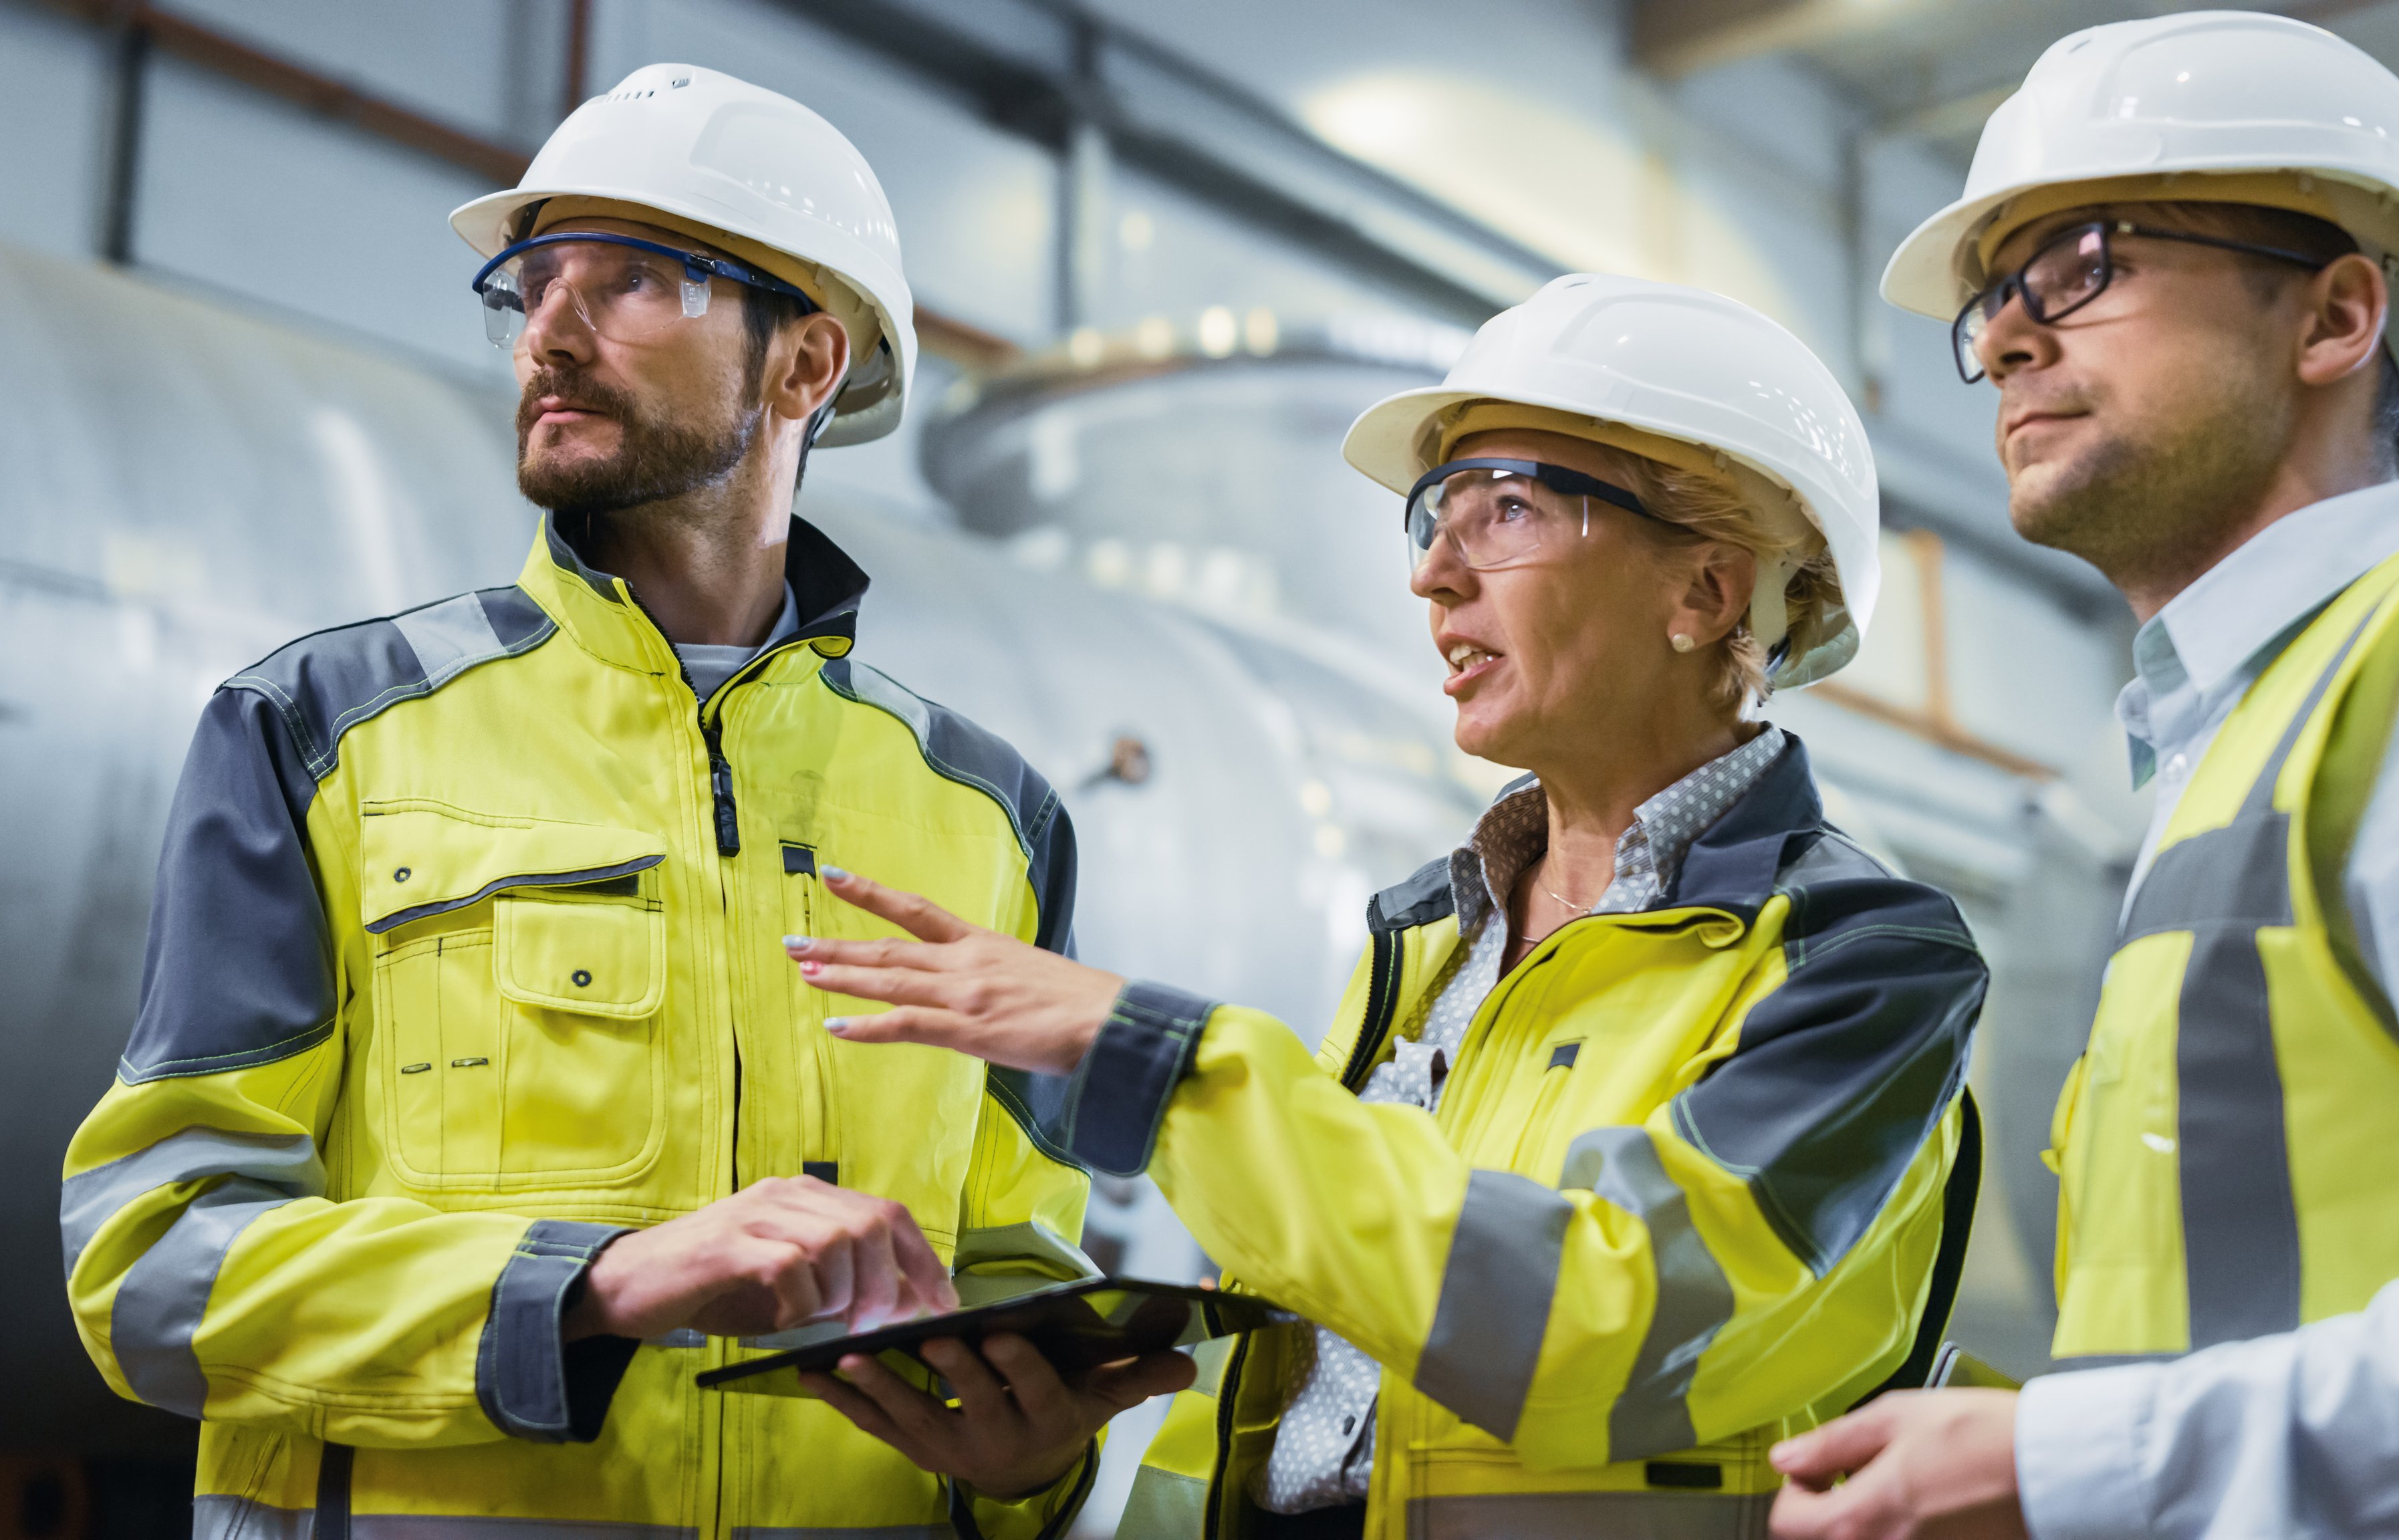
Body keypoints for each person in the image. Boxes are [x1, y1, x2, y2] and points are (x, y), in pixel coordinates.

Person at [58, 64, 1183, 1537]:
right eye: (532, 285)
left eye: (633, 280)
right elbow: (152, 1271)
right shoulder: (323, 733)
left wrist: (1028, 1468)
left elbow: (1013, 1266)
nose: (549, 331)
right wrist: (592, 1287)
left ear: (805, 365)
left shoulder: (991, 817)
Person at [779, 273, 1993, 1539]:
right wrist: (1034, 1473)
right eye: (1433, 519)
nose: (1432, 576)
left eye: (1507, 508)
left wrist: (1158, 1058)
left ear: (1707, 593)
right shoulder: (1428, 940)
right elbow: (1268, 1402)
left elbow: (1610, 1332)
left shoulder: (1865, 967)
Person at [1766, 13, 2399, 1540]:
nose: (2001, 342)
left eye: (2082, 266)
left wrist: (2066, 1467)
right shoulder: (2228, 748)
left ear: (2334, 318)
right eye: (1991, 300)